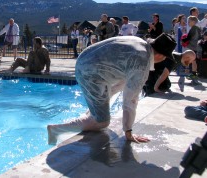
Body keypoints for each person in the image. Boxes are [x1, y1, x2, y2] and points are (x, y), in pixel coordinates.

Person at [47, 33, 177, 145]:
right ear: (160, 55)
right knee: (102, 122)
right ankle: (57, 129)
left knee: (121, 85)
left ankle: (92, 112)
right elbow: (130, 100)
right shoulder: (141, 63)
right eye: (166, 57)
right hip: (90, 73)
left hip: (85, 60)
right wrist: (128, 131)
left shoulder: (141, 43)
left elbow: (120, 86)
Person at [182, 16, 201, 80]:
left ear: (194, 21)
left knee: (193, 61)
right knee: (194, 61)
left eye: (189, 21)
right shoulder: (198, 28)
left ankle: (193, 73)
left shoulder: (193, 29)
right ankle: (194, 73)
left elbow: (188, 38)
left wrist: (182, 40)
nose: (188, 23)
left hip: (192, 46)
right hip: (196, 46)